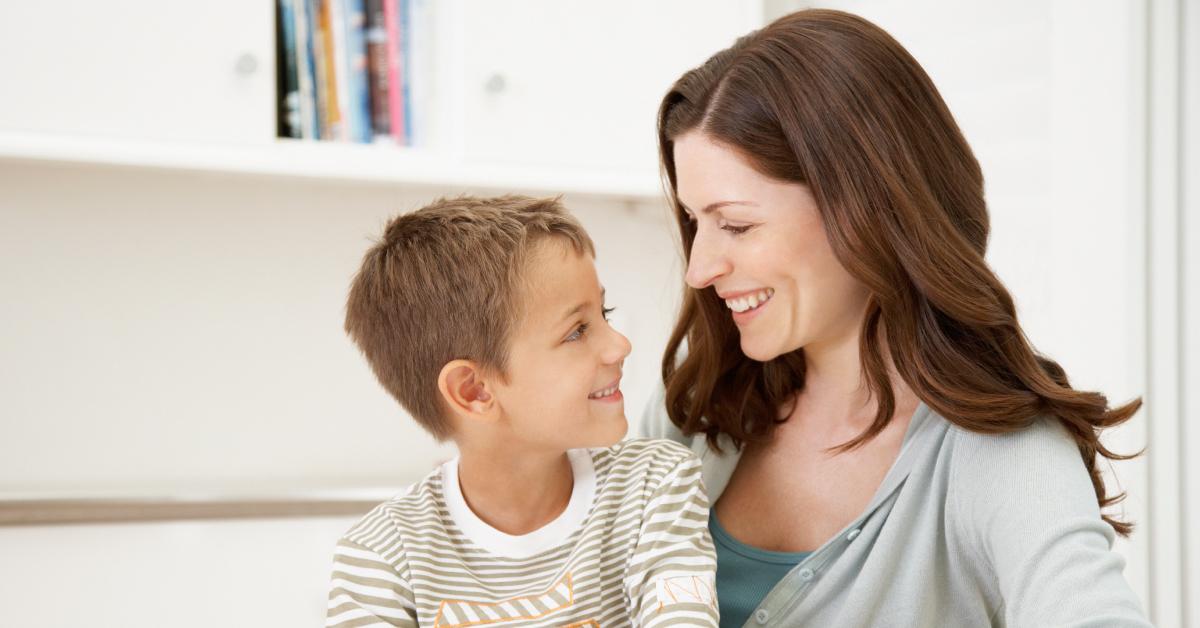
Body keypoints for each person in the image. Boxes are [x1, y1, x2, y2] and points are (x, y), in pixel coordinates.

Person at [640, 9, 1150, 627]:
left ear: (863, 208)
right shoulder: (693, 408)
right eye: (695, 222)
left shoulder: (999, 453)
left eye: (737, 225)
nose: (700, 269)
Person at [326, 195, 718, 627]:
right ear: (474, 391)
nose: (618, 345)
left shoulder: (656, 488)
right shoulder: (380, 556)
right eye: (577, 332)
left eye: (603, 312)